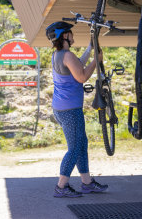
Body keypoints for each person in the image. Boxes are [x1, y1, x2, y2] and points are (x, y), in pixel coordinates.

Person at [46, 21, 109, 198]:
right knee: (74, 148)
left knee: (81, 144)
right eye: (71, 33)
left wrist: (90, 49)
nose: (73, 36)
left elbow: (78, 64)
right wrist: (97, 61)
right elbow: (81, 76)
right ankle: (61, 187)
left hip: (62, 109)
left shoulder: (58, 55)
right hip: (70, 110)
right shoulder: (66, 55)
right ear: (65, 36)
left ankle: (87, 183)